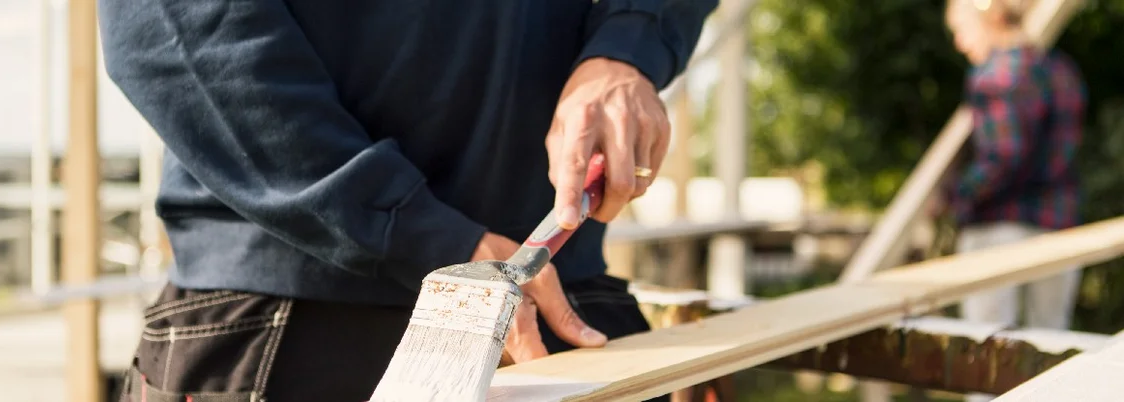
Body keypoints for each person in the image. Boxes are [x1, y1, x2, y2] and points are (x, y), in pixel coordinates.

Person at [97, 0, 716, 400]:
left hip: (555, 308)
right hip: (295, 316)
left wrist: (628, 49)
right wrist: (413, 229)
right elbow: (171, 24)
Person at [939, 0, 1086, 400]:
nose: (958, 41)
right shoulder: (1063, 72)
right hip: (1059, 230)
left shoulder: (997, 75)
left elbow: (1003, 157)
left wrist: (955, 197)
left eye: (962, 28)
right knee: (1052, 356)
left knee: (985, 360)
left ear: (990, 17)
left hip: (999, 230)